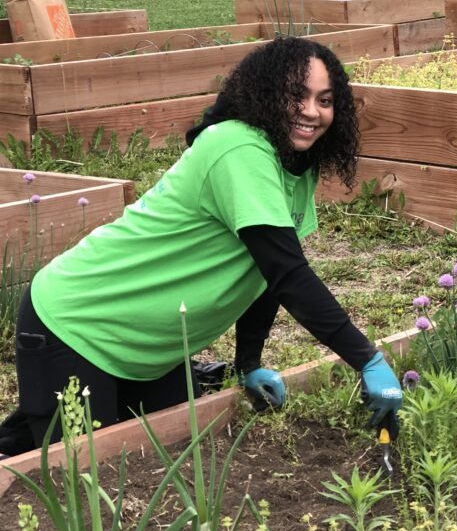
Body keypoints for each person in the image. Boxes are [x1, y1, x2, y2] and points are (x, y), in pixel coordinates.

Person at [1, 36, 401, 456]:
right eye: (296, 95)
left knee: (163, 447)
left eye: (325, 100)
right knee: (84, 468)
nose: (311, 112)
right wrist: (367, 360)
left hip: (145, 347)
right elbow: (290, 276)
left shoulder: (296, 166)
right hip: (78, 323)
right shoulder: (237, 147)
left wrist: (249, 362)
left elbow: (265, 275)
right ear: (266, 94)